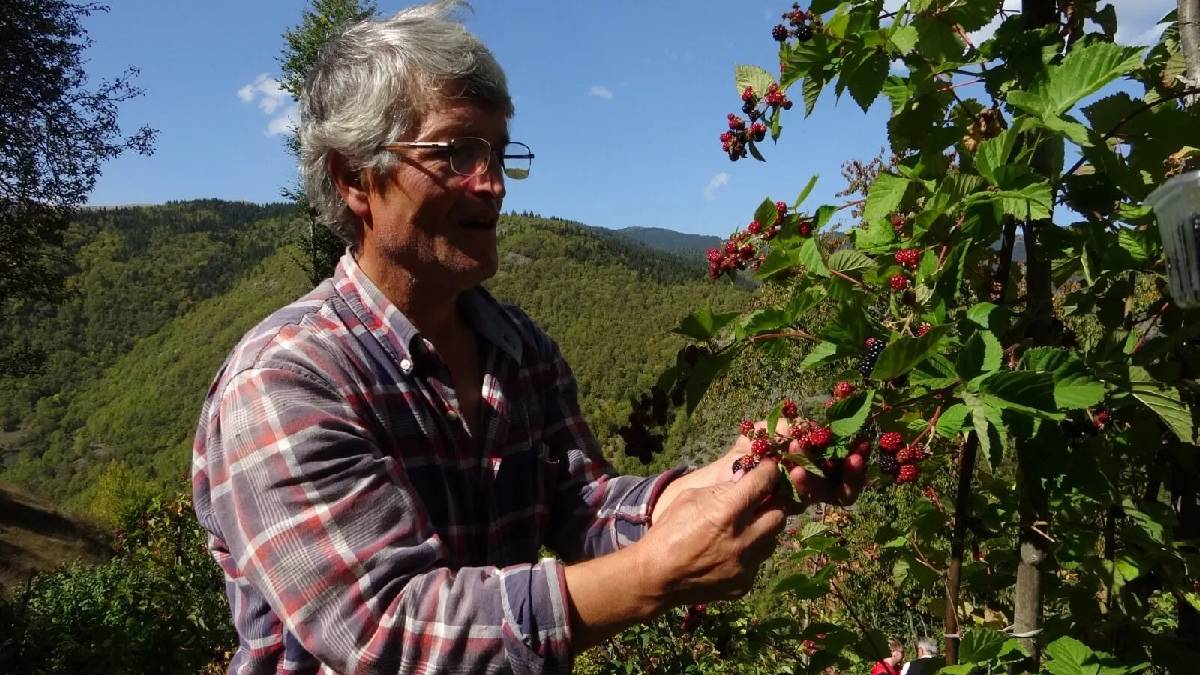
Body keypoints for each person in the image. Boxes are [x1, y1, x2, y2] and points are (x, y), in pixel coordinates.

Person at [191, 2, 868, 673]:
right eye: (455, 152)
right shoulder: (284, 379)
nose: (490, 184)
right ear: (355, 178)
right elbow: (388, 629)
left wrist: (710, 487)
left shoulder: (517, 347)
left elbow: (579, 504)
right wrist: (654, 574)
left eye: (497, 153)